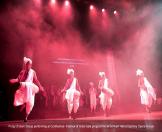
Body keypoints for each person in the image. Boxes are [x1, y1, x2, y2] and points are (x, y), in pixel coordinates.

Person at [9, 57, 45, 122]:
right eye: (27, 64)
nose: (28, 65)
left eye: (29, 64)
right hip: (24, 87)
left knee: (31, 104)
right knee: (21, 87)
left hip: (30, 88)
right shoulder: (22, 72)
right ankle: (24, 102)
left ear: (31, 65)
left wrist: (41, 86)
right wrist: (13, 80)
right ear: (25, 65)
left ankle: (26, 116)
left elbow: (36, 80)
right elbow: (18, 79)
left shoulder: (33, 72)